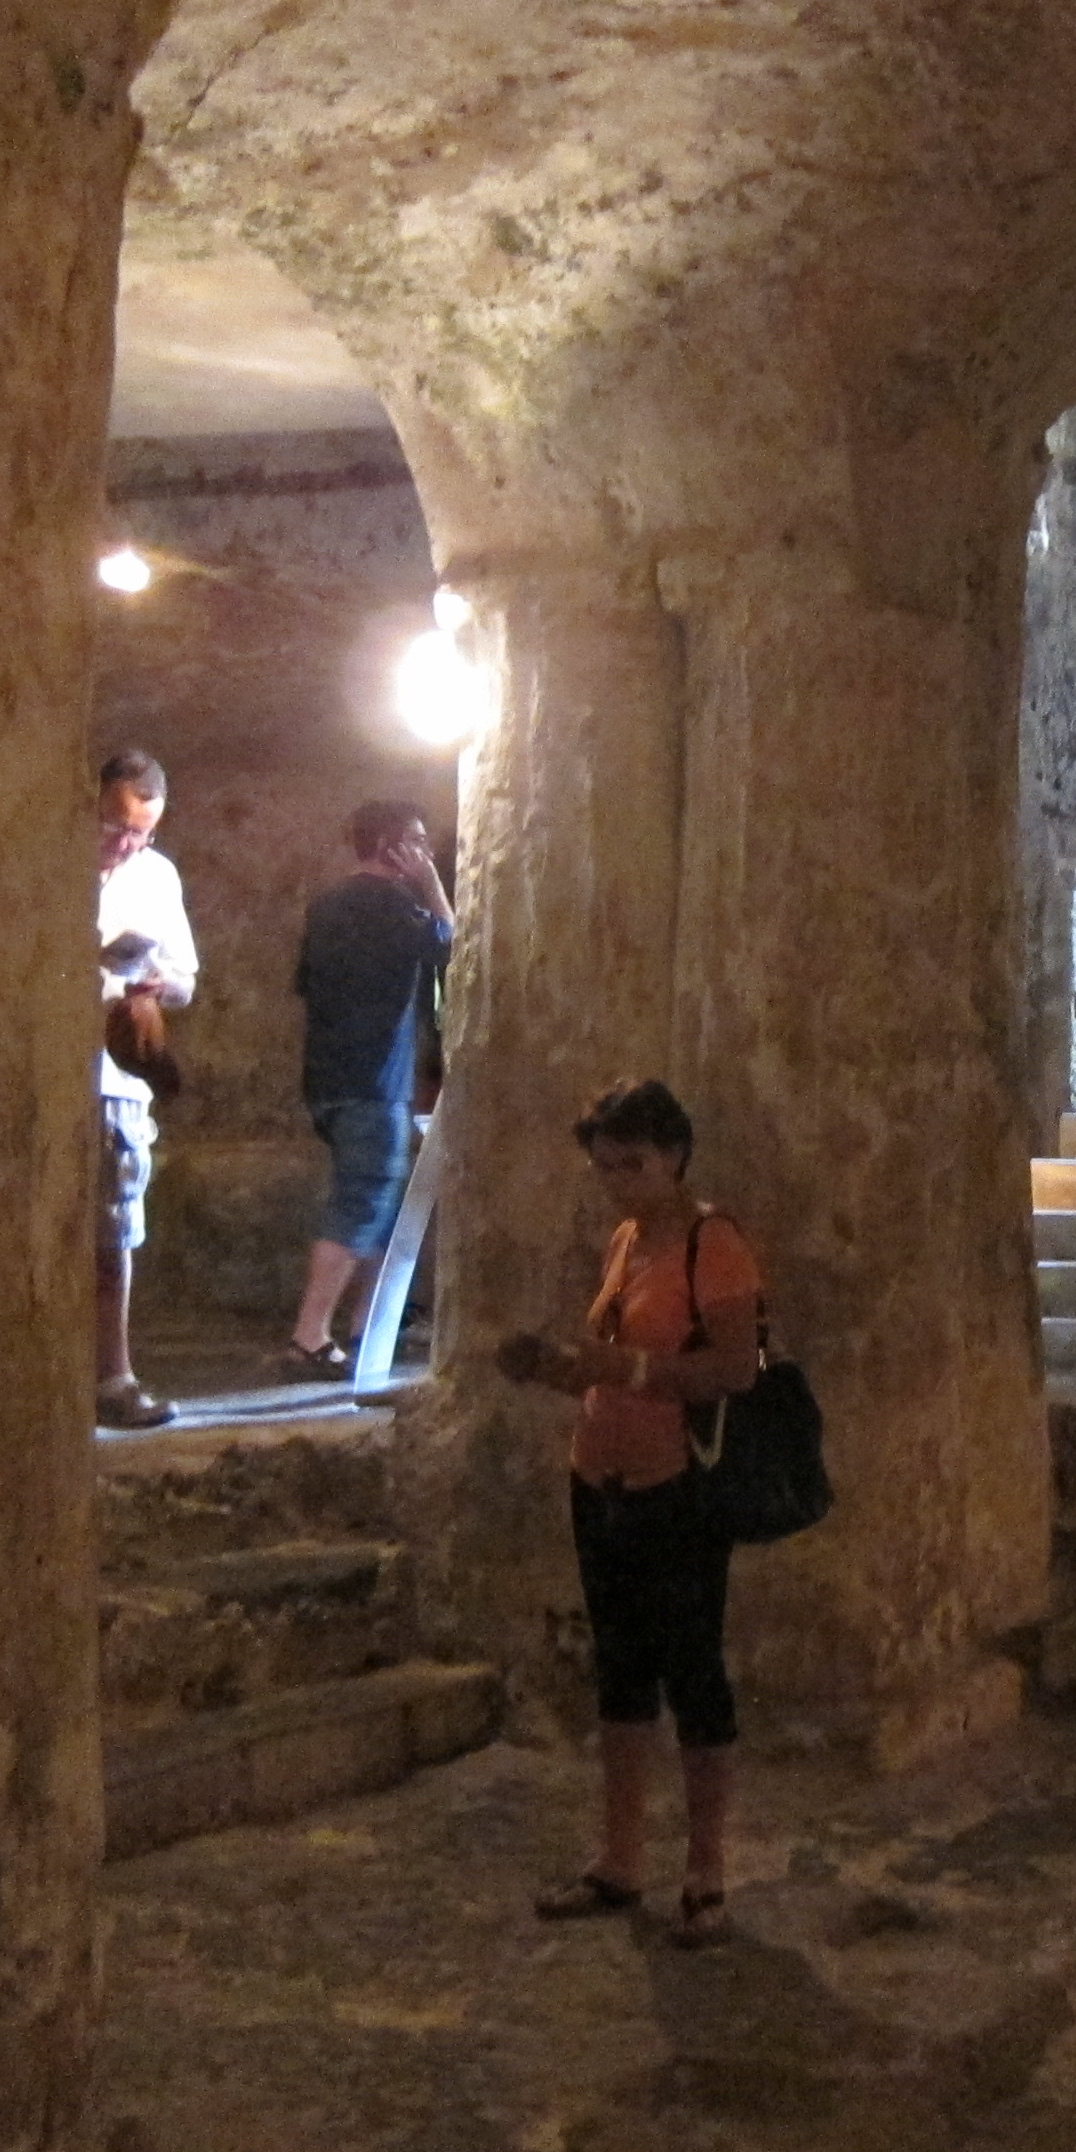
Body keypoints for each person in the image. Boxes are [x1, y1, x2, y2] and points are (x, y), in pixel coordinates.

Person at [496, 1078, 763, 1948]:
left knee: (693, 1671)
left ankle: (706, 1874)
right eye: (605, 1167)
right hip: (600, 1482)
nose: (617, 1183)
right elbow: (609, 1361)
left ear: (675, 1155)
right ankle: (619, 1859)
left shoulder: (712, 1245)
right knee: (620, 1672)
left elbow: (734, 1370)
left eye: (632, 1165)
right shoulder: (626, 1241)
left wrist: (626, 1371)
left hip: (675, 1485)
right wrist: (554, 1367)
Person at [279, 800, 454, 1377]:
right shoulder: (396, 907)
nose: (426, 853)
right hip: (374, 1082)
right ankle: (309, 1337)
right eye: (418, 842)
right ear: (389, 846)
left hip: (330, 1079)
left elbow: (308, 985)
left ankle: (368, 1328)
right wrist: (432, 887)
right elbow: (454, 947)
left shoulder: (327, 906)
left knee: (381, 1200)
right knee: (364, 1201)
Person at [94, 748, 199, 1430]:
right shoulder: (45, 861)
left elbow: (185, 977)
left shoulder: (155, 876)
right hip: (46, 1067)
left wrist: (160, 987)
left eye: (143, 832)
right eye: (117, 826)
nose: (128, 843)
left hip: (115, 1080)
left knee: (113, 1230)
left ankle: (114, 1378)